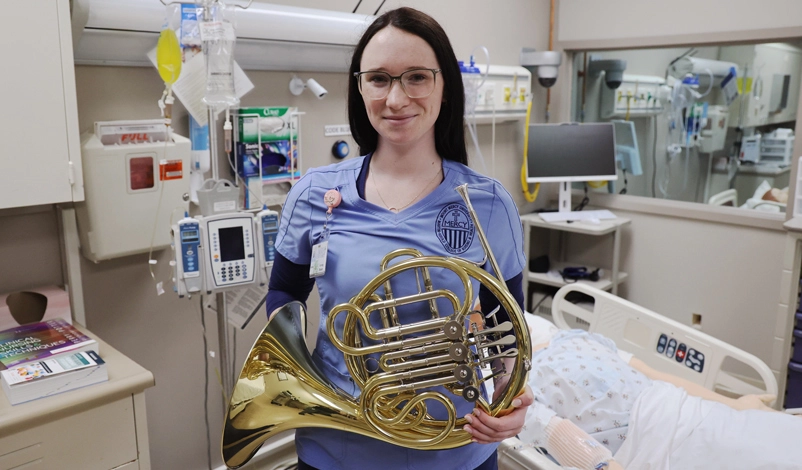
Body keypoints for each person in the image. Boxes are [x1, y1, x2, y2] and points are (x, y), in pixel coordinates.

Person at [265, 7, 534, 470]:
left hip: (457, 449)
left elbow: (506, 321)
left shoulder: (487, 204)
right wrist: (295, 372)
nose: (396, 98)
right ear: (360, 86)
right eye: (379, 79)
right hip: (337, 447)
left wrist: (512, 395)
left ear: (444, 85)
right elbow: (284, 291)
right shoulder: (313, 193)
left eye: (415, 77)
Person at [518, 314, 802, 469]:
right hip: (654, 447)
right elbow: (551, 430)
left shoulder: (575, 337)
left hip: (686, 408)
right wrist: (605, 466)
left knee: (782, 437)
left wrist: (735, 403)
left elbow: (655, 374)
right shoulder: (516, 383)